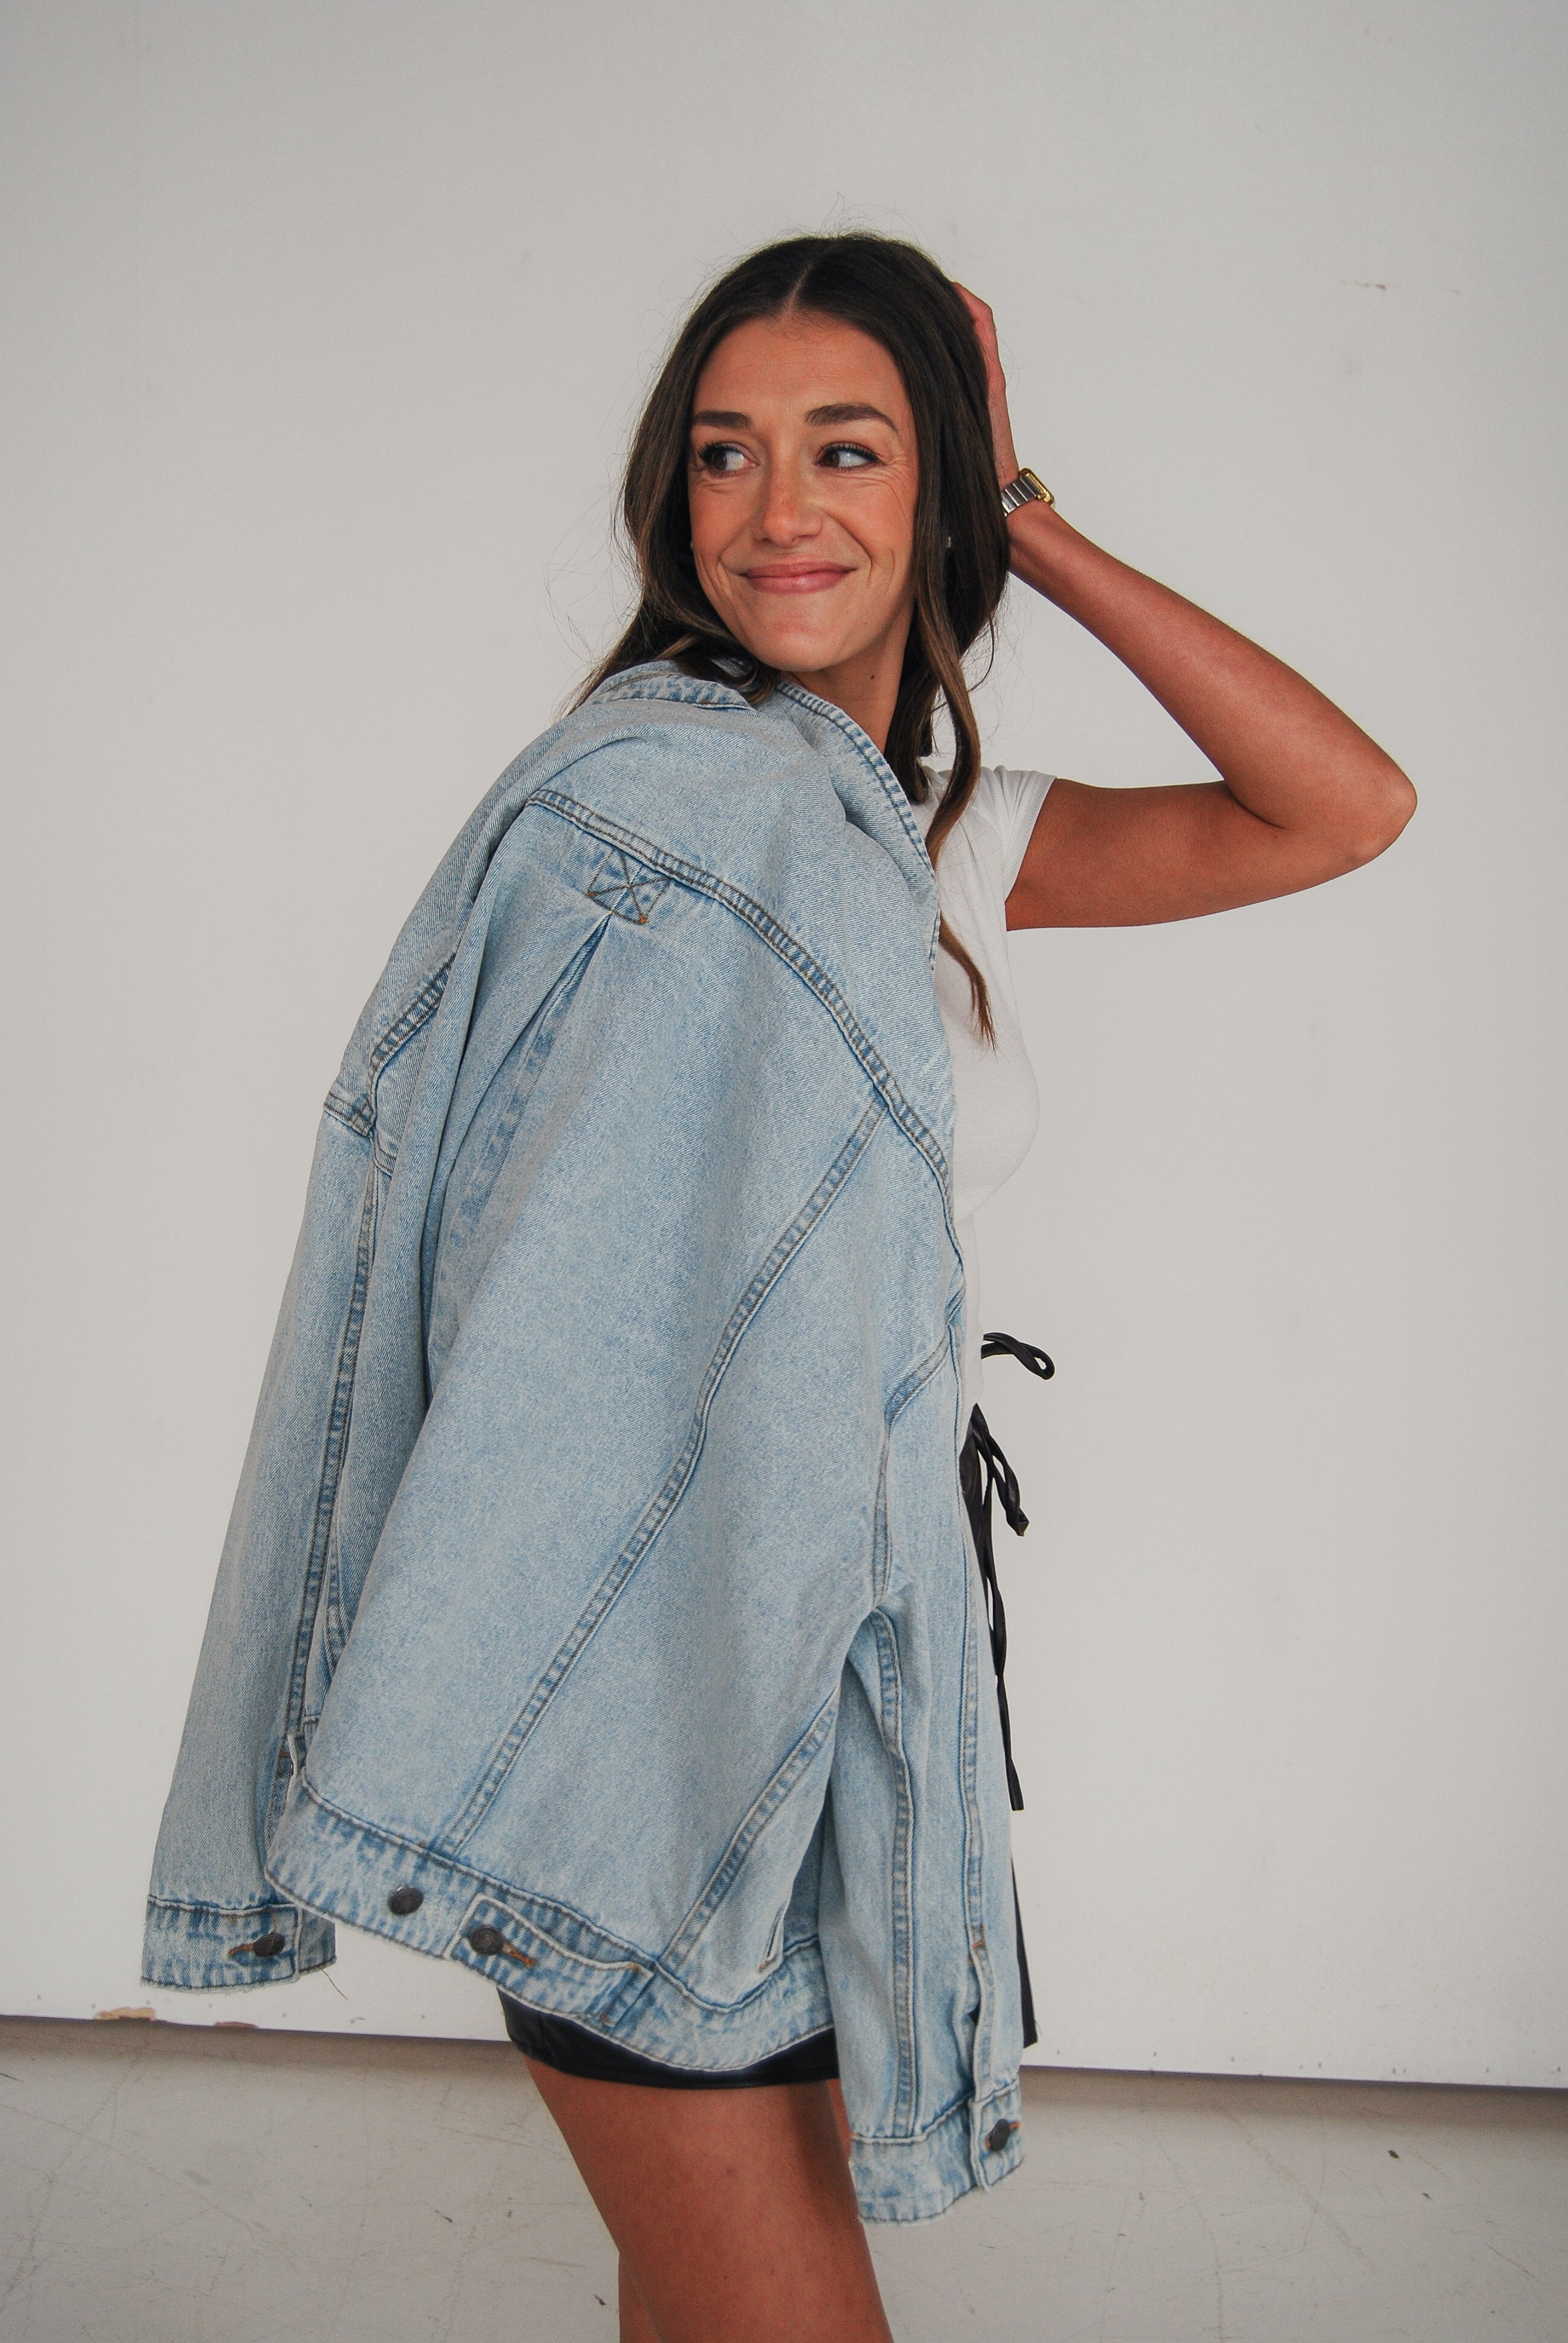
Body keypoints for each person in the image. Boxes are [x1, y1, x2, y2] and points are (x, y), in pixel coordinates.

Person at [141, 233, 1413, 2343]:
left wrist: (1029, 520)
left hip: (818, 1675)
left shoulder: (926, 836)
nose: (776, 509)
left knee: (696, 2301)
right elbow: (540, 1304)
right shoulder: (646, 817)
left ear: (937, 488)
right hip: (643, 1691)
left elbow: (1344, 809)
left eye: (850, 449)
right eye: (727, 453)